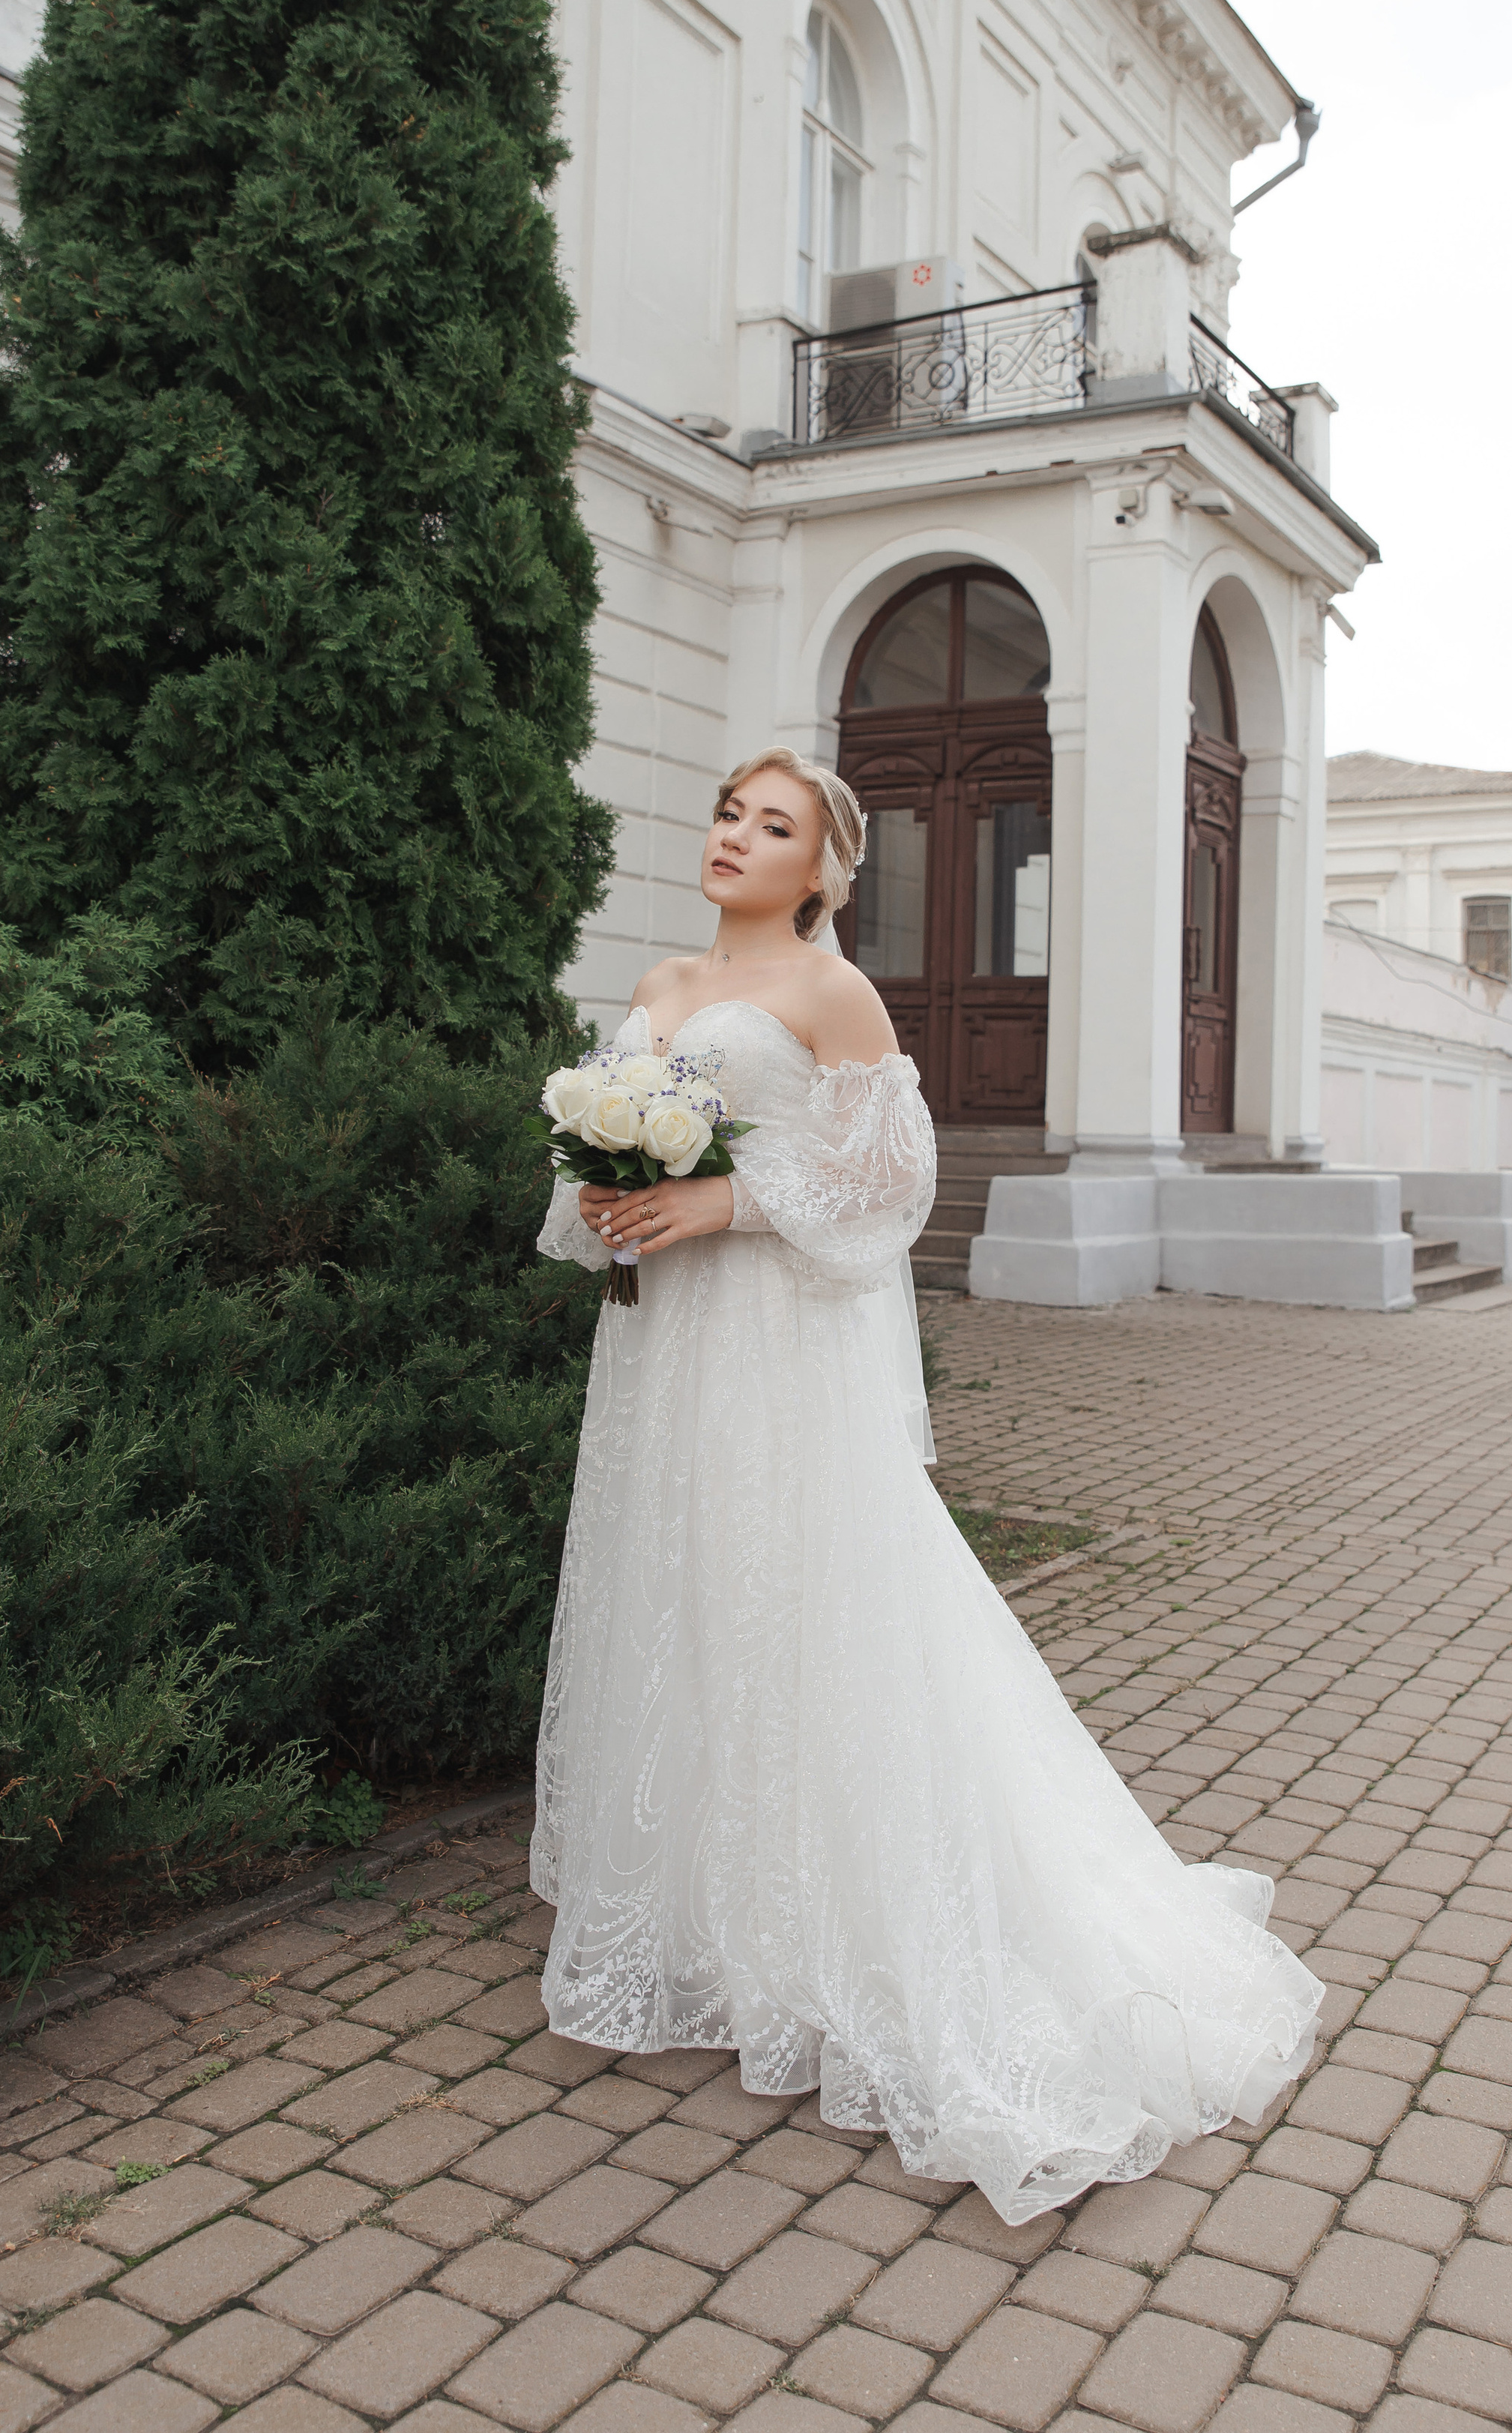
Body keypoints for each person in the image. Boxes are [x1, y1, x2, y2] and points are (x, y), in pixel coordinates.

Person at [533, 748, 1321, 2224]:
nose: (734, 838)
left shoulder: (836, 997)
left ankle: (855, 1942)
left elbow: (888, 1187)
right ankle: (717, 1929)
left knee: (803, 1609)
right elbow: (597, 1160)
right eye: (726, 813)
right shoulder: (653, 980)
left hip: (774, 1349)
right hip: (665, 1358)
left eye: (772, 827)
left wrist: (718, 1196)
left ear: (824, 875)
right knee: (689, 1600)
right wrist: (607, 1200)